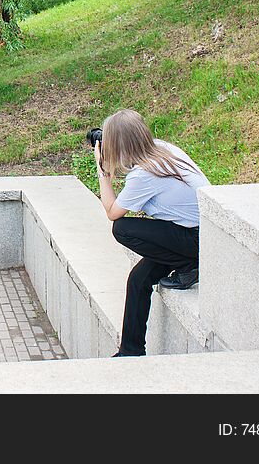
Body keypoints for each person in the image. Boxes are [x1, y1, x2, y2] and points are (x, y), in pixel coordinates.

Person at [92, 109, 210, 357]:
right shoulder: (161, 149)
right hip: (198, 234)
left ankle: (190, 265)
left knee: (122, 229)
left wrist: (103, 173)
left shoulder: (145, 174)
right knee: (139, 279)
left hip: (197, 241)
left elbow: (113, 212)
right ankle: (130, 352)